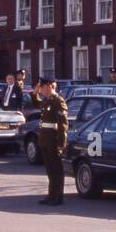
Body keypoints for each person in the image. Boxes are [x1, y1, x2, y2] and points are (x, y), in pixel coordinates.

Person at [32, 76, 68, 206]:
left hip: (53, 141)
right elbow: (36, 103)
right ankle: (51, 195)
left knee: (56, 170)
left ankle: (58, 197)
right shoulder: (47, 101)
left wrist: (61, 144)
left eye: (42, 87)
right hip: (45, 140)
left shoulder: (58, 101)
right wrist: (34, 92)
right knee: (49, 170)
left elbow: (63, 125)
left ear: (49, 86)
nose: (41, 90)